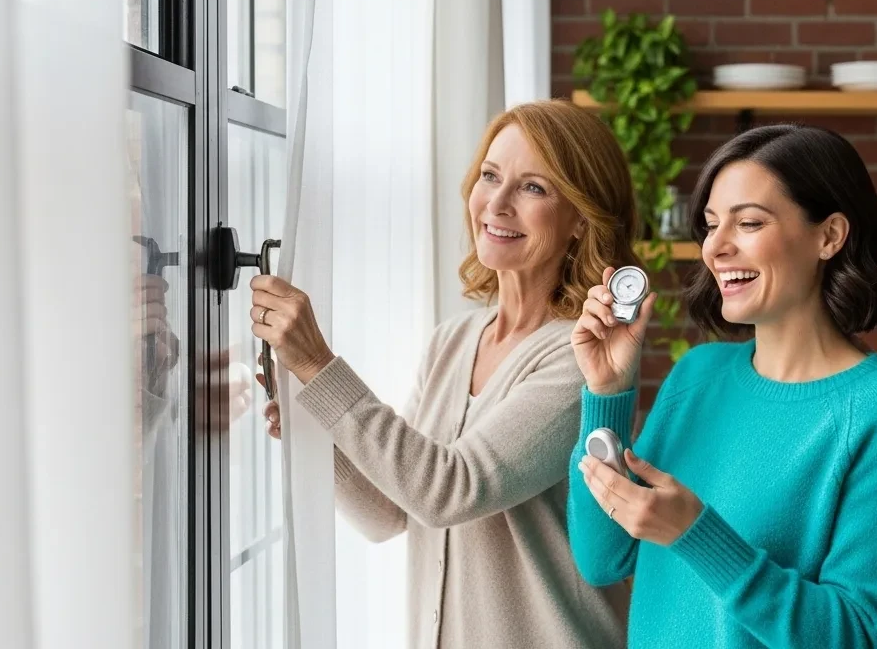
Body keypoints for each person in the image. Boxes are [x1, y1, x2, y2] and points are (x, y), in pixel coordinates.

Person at [253, 100, 636, 649]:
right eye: (490, 176)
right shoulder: (452, 341)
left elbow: (450, 490)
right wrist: (318, 433)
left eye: (533, 188)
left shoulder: (581, 356)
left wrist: (319, 365)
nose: (497, 204)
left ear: (580, 219)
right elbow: (391, 512)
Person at [569, 124, 877, 648]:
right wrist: (606, 393)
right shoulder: (697, 376)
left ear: (829, 235)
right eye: (711, 224)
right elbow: (602, 559)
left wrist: (697, 536)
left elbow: (854, 636)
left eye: (748, 223)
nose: (716, 247)